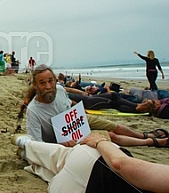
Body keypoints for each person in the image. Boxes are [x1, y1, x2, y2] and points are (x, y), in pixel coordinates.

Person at [26, 64, 168, 147]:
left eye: (51, 81)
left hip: (77, 120)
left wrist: (76, 105)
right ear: (35, 85)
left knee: (114, 126)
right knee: (111, 136)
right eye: (43, 83)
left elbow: (67, 103)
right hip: (65, 138)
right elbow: (37, 145)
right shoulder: (33, 111)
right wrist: (61, 144)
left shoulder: (61, 90)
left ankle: (143, 135)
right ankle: (151, 141)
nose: (48, 86)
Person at [11, 132, 169, 192]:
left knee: (62, 157)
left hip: (92, 162)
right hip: (74, 188)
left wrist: (100, 141)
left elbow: (120, 164)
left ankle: (27, 147)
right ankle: (32, 164)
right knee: (55, 178)